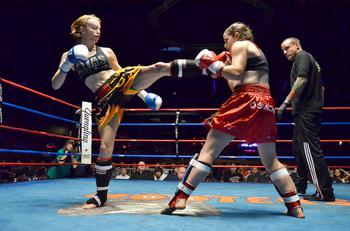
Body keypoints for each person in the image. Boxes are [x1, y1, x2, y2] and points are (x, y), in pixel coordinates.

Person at [51, 14, 205, 209]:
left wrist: (144, 96)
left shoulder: (106, 51)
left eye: (99, 28)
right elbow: (55, 85)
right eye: (94, 27)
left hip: (119, 82)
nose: (98, 31)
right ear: (81, 30)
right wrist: (65, 66)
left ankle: (206, 68)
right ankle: (100, 196)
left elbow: (122, 74)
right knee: (106, 148)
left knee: (158, 67)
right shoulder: (69, 55)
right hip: (105, 99)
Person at [161, 22, 304, 218]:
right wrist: (220, 68)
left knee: (209, 151)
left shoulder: (241, 44)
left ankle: (180, 197)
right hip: (266, 104)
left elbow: (237, 74)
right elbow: (236, 82)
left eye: (226, 40)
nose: (226, 46)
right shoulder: (254, 53)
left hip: (247, 98)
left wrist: (214, 64)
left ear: (236, 35)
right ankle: (295, 205)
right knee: (271, 160)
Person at [279, 37, 335, 201]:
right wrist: (318, 106)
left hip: (306, 111)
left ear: (297, 45)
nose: (285, 52)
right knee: (298, 148)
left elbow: (301, 79)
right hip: (308, 110)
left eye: (287, 47)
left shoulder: (302, 57)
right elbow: (322, 87)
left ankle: (324, 192)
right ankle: (301, 184)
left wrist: (285, 103)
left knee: (310, 150)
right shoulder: (311, 60)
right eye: (283, 49)